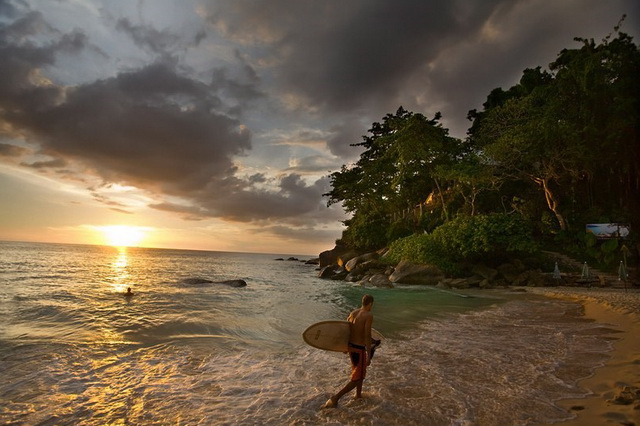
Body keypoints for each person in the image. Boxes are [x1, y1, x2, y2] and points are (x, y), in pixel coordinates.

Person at [323, 294, 380, 408]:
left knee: (360, 374)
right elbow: (367, 335)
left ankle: (358, 395)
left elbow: (346, 330)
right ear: (370, 304)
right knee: (356, 378)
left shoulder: (353, 313)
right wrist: (369, 354)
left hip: (351, 347)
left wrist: (344, 346)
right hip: (359, 349)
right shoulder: (368, 315)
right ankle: (335, 398)